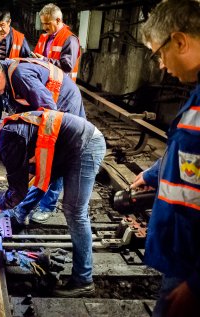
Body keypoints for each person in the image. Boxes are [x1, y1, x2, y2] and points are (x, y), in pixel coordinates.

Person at [0, 110, 105, 297]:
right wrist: (11, 201)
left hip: (84, 146)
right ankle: (20, 214)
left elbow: (19, 188)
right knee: (42, 182)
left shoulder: (6, 138)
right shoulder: (5, 127)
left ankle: (83, 280)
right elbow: (29, 174)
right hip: (70, 146)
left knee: (74, 212)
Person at [130, 1, 200, 316]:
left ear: (180, 41)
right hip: (183, 254)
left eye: (158, 53)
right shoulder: (196, 96)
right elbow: (189, 156)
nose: (160, 64)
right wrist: (153, 174)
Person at [0, 58, 86, 224]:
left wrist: (37, 148)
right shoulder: (7, 82)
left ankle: (46, 206)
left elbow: (49, 109)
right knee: (40, 162)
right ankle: (24, 206)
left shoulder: (20, 76)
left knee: (52, 160)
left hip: (64, 105)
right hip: (55, 107)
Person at [32, 3, 81, 81]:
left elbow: (67, 66)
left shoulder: (70, 39)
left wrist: (44, 60)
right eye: (43, 23)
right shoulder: (43, 37)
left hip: (62, 89)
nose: (44, 27)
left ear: (58, 20)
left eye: (47, 24)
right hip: (44, 85)